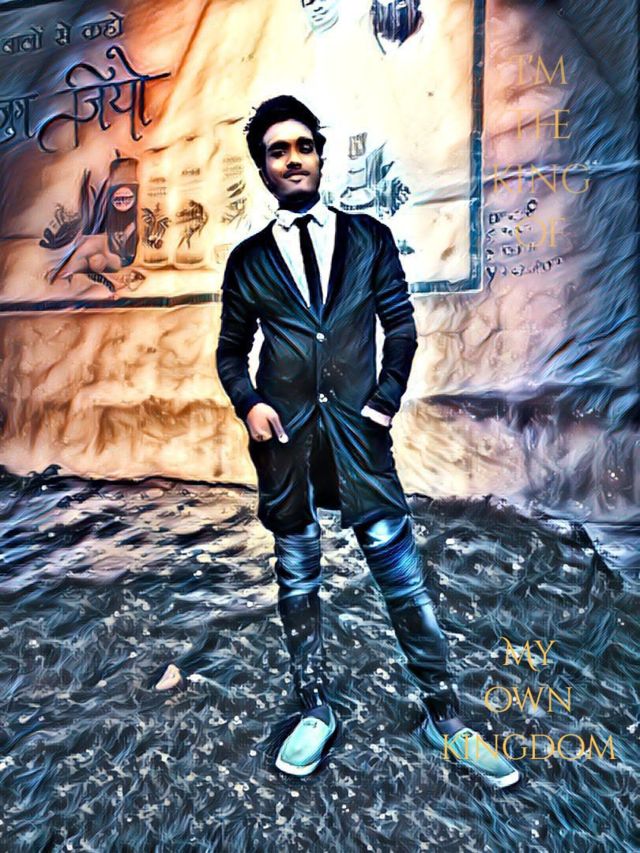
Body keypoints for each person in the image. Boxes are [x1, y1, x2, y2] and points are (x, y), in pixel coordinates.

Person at [216, 95, 519, 788]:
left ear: (320, 156)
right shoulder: (248, 261)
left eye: (303, 146)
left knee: (401, 577)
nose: (293, 159)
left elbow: (401, 327)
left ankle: (445, 717)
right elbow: (232, 352)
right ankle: (314, 709)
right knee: (298, 577)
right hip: (286, 447)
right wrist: (250, 403)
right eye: (277, 151)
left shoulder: (369, 238)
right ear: (263, 168)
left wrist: (383, 402)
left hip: (360, 441)